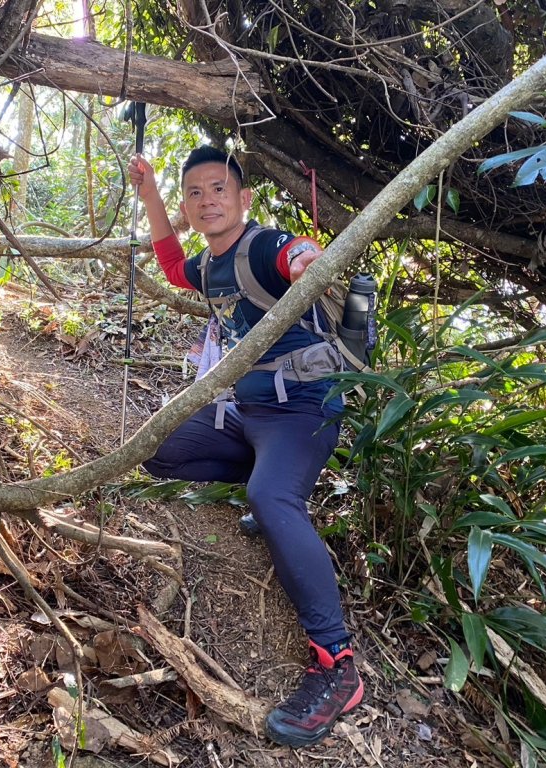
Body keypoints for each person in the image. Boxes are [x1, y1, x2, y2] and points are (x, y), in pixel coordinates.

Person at [128, 146, 364, 747]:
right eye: (194, 193)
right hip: (249, 414)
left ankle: (337, 665)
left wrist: (308, 259)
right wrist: (151, 194)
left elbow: (294, 254)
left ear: (243, 197)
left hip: (303, 411)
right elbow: (173, 267)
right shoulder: (211, 266)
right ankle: (269, 487)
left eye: (218, 189)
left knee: (271, 497)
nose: (207, 201)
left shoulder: (262, 246)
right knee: (160, 449)